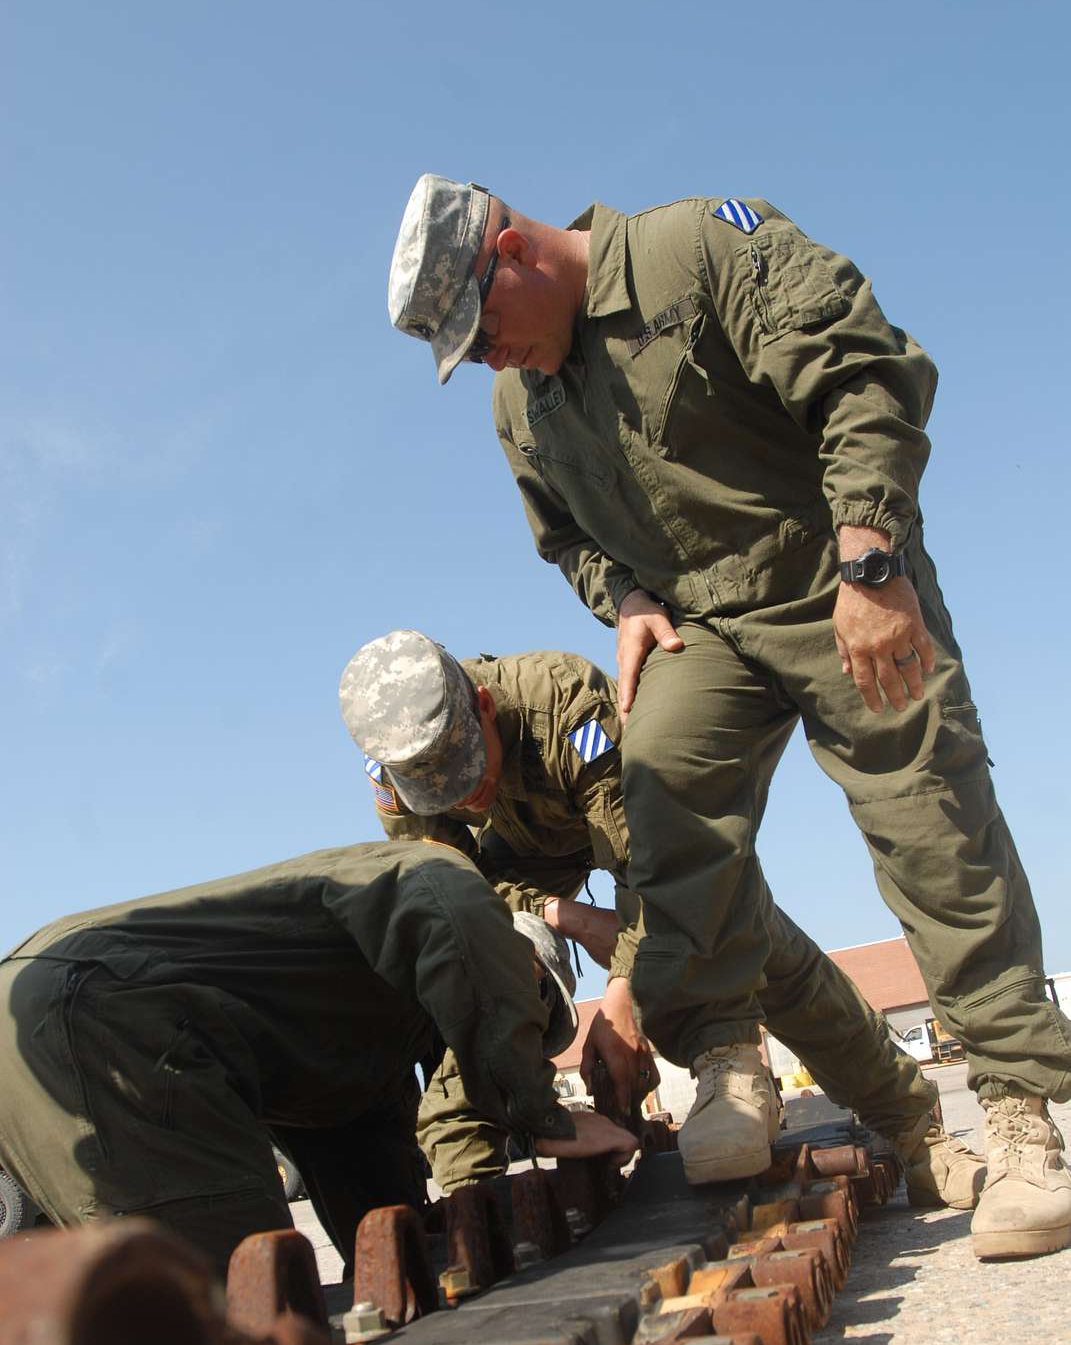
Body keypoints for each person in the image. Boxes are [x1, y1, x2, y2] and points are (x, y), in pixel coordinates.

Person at [386, 175, 1071, 1261]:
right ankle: (723, 1061)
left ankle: (1027, 1118)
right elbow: (566, 538)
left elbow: (861, 367)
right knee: (663, 785)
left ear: (513, 249)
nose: (486, 360)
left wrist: (874, 554)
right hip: (704, 619)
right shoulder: (522, 407)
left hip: (831, 573)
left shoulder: (693, 249)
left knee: (929, 818)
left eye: (483, 332)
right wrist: (629, 600)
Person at [339, 627, 983, 1209]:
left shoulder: (563, 704)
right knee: (484, 967)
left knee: (740, 926)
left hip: (623, 837)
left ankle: (912, 1127)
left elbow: (650, 866)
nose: (466, 795)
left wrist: (621, 996)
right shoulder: (397, 769)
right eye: (444, 789)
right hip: (509, 874)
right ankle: (469, 1185)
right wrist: (561, 916)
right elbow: (451, 904)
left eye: (472, 773)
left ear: (482, 705)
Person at [0, 841, 635, 1275]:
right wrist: (543, 1114)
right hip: (98, 1010)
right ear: (514, 958)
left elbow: (368, 1171)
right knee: (247, 1325)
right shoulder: (441, 885)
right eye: (531, 1011)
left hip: (45, 1002)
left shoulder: (355, 1037)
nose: (518, 1026)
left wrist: (424, 1239)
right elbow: (459, 916)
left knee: (134, 1339)